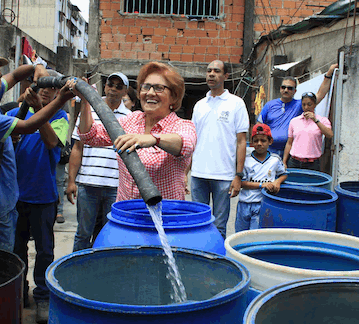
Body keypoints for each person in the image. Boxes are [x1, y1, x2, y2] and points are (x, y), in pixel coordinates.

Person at [0, 51, 74, 251]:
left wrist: (37, 67)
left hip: (9, 200)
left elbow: (17, 75)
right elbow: (28, 126)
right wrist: (60, 99)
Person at [70, 62, 196, 203]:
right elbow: (91, 136)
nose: (150, 93)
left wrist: (152, 139)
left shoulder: (183, 125)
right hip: (126, 212)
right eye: (146, 87)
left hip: (163, 216)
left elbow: (186, 144)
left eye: (159, 88)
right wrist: (85, 101)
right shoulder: (131, 120)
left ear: (174, 97)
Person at [6, 70, 69, 324]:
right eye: (40, 86)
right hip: (14, 196)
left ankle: (42, 296)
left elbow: (53, 143)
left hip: (43, 195)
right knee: (16, 248)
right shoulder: (13, 114)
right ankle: (19, 292)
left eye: (50, 87)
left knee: (44, 251)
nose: (44, 90)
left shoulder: (61, 116)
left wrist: (40, 111)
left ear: (56, 92)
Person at [66, 73, 132, 251]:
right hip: (88, 184)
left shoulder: (130, 117)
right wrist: (71, 181)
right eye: (111, 84)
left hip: (115, 188)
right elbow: (77, 147)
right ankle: (76, 270)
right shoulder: (89, 110)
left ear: (125, 91)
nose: (113, 89)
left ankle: (99, 271)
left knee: (107, 234)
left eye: (119, 86)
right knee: (83, 233)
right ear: (105, 86)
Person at [190, 60, 249, 239]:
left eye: (216, 71)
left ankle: (217, 262)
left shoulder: (236, 104)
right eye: (208, 71)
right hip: (198, 174)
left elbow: (241, 142)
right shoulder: (200, 105)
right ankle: (198, 258)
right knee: (197, 222)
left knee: (219, 227)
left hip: (223, 175)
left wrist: (238, 176)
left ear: (225, 76)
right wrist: (186, 171)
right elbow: (193, 139)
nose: (211, 74)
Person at [257, 64, 338, 157]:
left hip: (290, 152)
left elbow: (320, 94)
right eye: (283, 87)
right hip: (270, 151)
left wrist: (329, 73)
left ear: (295, 91)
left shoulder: (300, 105)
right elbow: (259, 126)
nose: (286, 90)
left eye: (290, 88)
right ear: (280, 89)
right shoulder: (269, 105)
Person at [235, 124, 287, 232]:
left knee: (254, 235)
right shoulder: (245, 160)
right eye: (256, 140)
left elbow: (284, 174)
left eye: (263, 141)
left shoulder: (275, 160)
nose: (259, 144)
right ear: (252, 142)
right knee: (240, 234)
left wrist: (277, 182)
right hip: (244, 203)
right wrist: (261, 185)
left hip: (261, 204)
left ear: (270, 141)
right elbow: (241, 183)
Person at [282, 92, 334, 171]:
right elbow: (289, 143)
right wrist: (284, 161)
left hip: (312, 163)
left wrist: (315, 120)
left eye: (309, 104)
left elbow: (329, 134)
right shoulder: (294, 121)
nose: (306, 107)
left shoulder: (322, 120)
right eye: (304, 105)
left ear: (314, 104)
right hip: (295, 162)